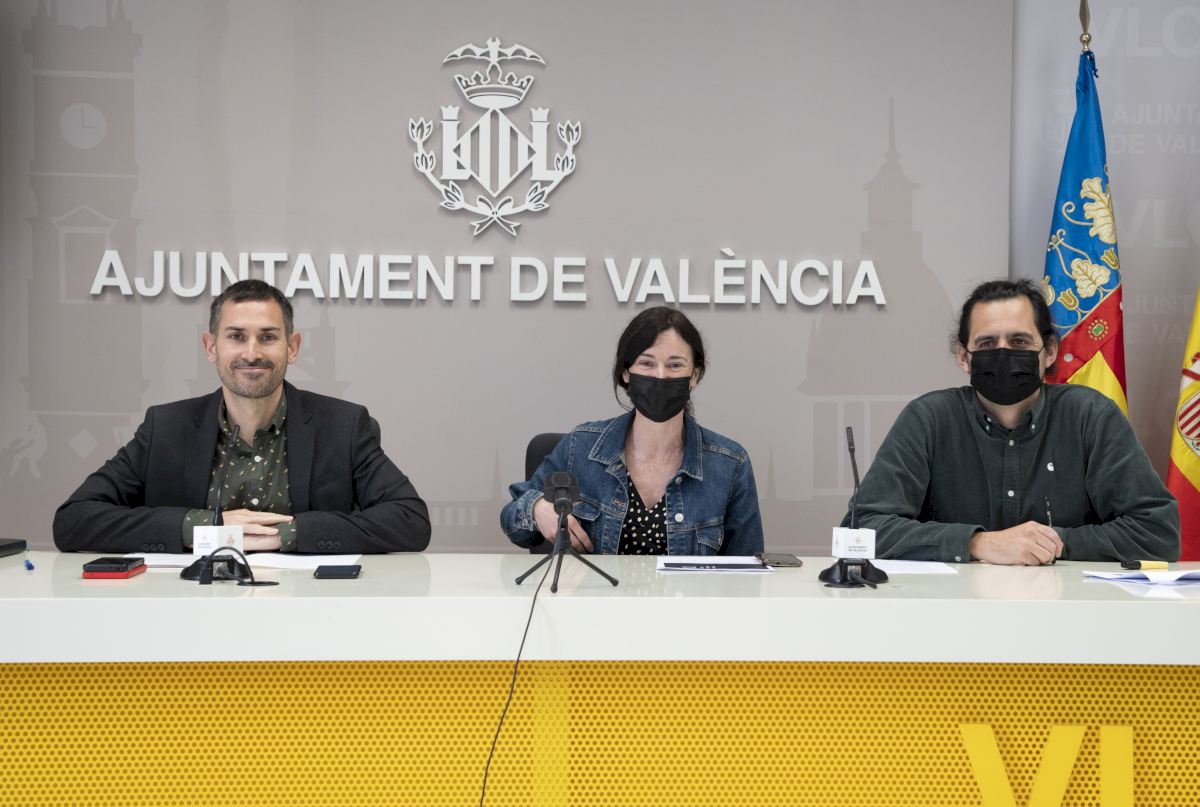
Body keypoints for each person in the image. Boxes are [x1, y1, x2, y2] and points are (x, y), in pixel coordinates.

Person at [54, 280, 430, 555]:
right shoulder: (165, 428)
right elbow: (74, 521)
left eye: (267, 337)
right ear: (211, 347)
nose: (252, 353)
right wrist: (209, 526)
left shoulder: (343, 426)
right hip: (187, 614)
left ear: (292, 347)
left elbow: (410, 520)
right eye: (236, 336)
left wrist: (288, 534)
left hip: (309, 613)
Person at [843, 278, 1179, 564]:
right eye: (987, 343)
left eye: (1019, 341)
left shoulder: (1090, 416)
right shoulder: (928, 418)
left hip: (1066, 611)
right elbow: (859, 531)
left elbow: (1157, 532)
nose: (1003, 353)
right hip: (954, 611)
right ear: (963, 356)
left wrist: (1050, 544)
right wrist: (978, 544)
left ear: (1049, 352)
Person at [502, 306, 763, 556]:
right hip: (598, 590)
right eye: (647, 363)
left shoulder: (730, 464)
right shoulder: (580, 448)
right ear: (626, 372)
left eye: (675, 365)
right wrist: (536, 508)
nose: (660, 376)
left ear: (694, 375)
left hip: (690, 592)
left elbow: (749, 570)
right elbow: (513, 521)